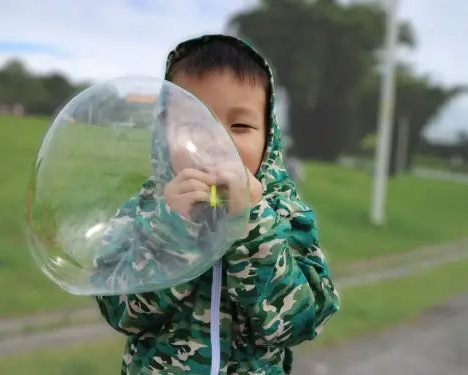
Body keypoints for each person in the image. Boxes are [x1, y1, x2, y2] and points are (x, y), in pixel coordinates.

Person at [95, 34, 339, 375]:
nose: (217, 141)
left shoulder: (286, 214)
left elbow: (302, 322)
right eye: (194, 124)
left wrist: (253, 225)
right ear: (163, 136)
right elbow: (121, 313)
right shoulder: (147, 211)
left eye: (240, 126)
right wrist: (171, 230)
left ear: (268, 137)